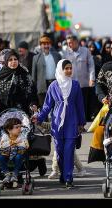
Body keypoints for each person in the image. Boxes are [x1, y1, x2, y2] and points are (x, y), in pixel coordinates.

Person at [32, 59, 86, 189]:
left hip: (72, 122)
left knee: (68, 151)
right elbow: (47, 106)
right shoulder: (53, 86)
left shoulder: (76, 85)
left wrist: (81, 123)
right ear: (60, 70)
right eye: (66, 68)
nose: (68, 71)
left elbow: (80, 105)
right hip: (57, 123)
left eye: (70, 68)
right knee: (60, 152)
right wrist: (38, 118)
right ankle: (63, 175)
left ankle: (68, 178)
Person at [0, 49, 38, 116]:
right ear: (6, 62)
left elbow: (32, 94)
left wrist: (33, 104)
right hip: (4, 113)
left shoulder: (25, 75)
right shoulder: (1, 76)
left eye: (15, 59)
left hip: (23, 113)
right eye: (10, 60)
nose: (13, 62)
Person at [63, 35, 95, 121]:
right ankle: (75, 123)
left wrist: (92, 78)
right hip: (71, 84)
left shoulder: (85, 51)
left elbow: (91, 65)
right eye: (68, 43)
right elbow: (62, 68)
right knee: (73, 104)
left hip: (83, 83)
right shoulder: (65, 53)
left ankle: (83, 122)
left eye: (71, 43)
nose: (69, 45)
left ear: (76, 42)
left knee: (83, 104)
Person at [0, 118, 28, 187]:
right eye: (17, 127)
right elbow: (1, 145)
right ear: (9, 130)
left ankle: (15, 173)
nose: (19, 129)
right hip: (6, 156)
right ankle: (6, 173)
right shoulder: (5, 136)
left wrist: (16, 144)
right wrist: (13, 142)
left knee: (19, 156)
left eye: (20, 126)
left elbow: (26, 145)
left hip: (17, 156)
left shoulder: (22, 136)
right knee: (0, 157)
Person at [32, 35, 62, 106]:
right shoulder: (36, 58)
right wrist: (35, 88)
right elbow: (34, 75)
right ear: (40, 46)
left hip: (55, 85)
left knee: (56, 107)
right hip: (42, 87)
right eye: (44, 44)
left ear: (50, 45)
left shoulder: (57, 55)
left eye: (48, 44)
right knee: (44, 108)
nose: (46, 46)